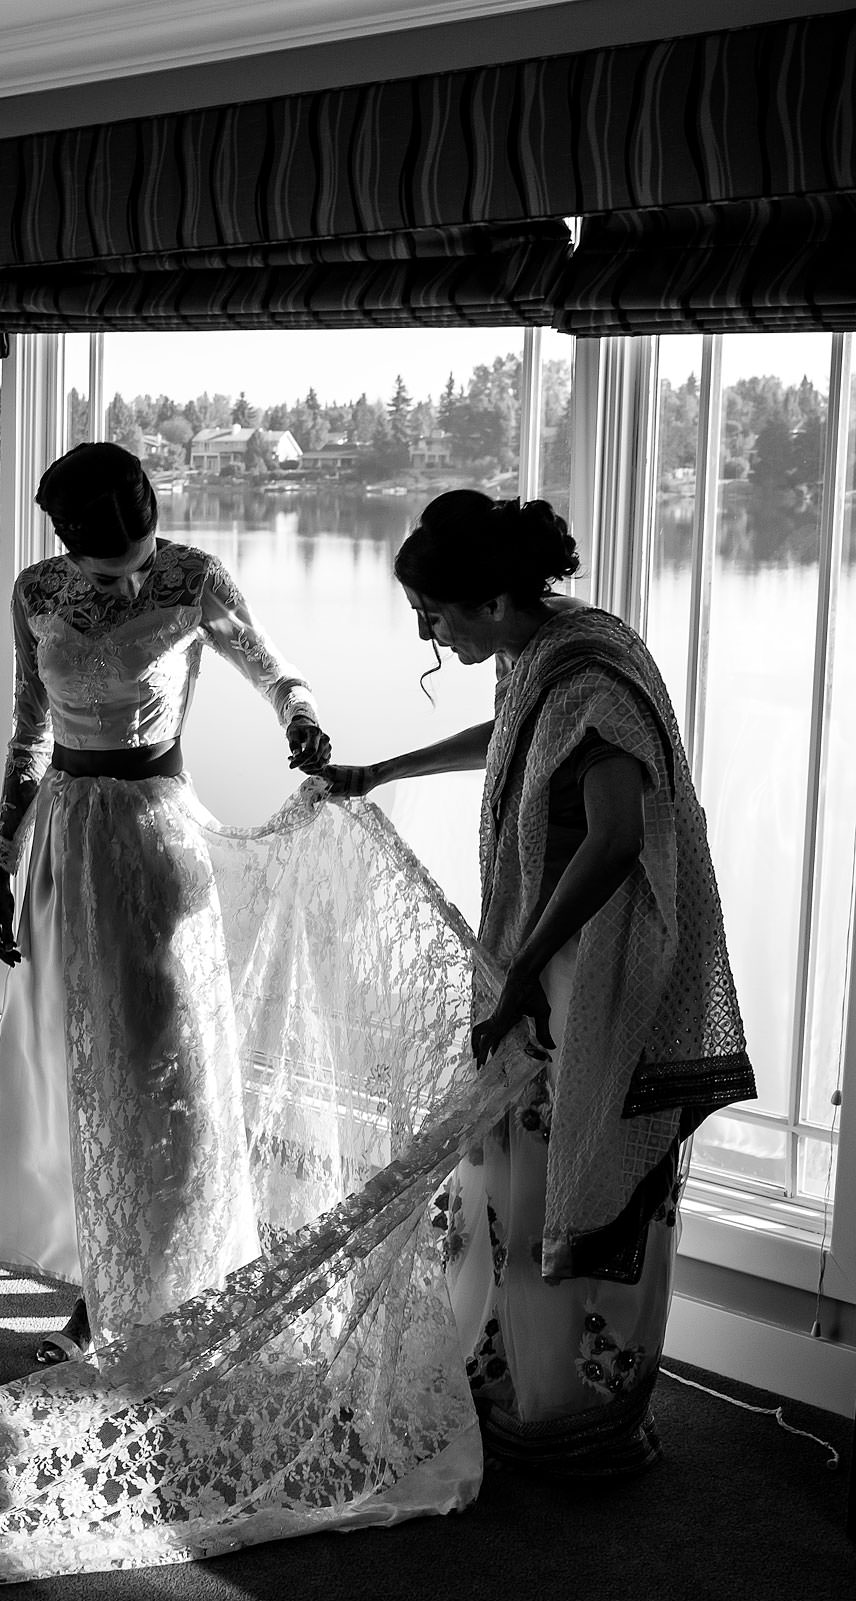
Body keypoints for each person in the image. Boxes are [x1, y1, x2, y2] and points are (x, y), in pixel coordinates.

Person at [325, 489, 753, 1476]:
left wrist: (520, 970)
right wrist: (383, 769)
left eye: (433, 612)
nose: (427, 630)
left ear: (485, 598)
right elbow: (515, 739)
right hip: (539, 961)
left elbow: (616, 835)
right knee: (510, 1189)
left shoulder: (592, 677)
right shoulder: (541, 652)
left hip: (594, 975)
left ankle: (574, 1416)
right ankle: (510, 1375)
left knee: (575, 1186)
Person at [0, 442, 332, 1360]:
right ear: (66, 534)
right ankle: (100, 1284)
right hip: (65, 840)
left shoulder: (193, 578)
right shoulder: (35, 593)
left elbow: (276, 671)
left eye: (135, 539)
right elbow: (30, 730)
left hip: (151, 844)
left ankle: (142, 1292)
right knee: (80, 1074)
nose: (127, 560)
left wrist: (302, 721)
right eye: (105, 546)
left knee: (155, 1067)